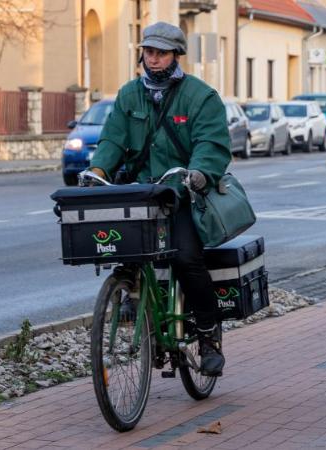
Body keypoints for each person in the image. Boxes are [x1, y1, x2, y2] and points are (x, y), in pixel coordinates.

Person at [88, 22, 231, 377]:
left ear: (175, 56)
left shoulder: (200, 96)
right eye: (149, 52)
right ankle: (132, 298)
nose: (153, 60)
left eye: (161, 53)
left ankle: (209, 335)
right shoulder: (128, 95)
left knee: (186, 259)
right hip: (140, 191)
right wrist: (98, 172)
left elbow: (211, 144)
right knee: (125, 252)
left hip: (179, 193)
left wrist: (198, 174)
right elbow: (113, 141)